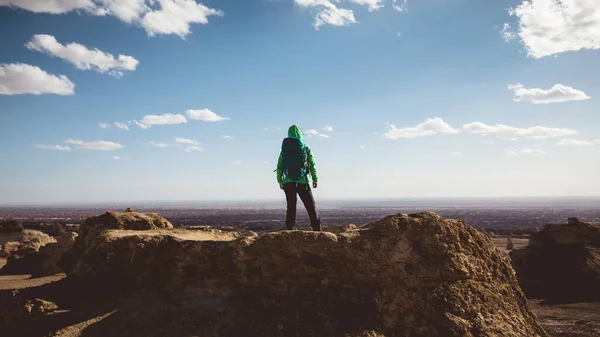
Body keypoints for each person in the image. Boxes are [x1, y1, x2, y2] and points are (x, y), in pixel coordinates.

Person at [276, 125, 321, 231]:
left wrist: (280, 180)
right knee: (311, 206)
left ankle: (290, 229)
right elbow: (312, 164)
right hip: (302, 182)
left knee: (291, 207)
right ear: (300, 134)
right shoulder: (305, 148)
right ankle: (317, 230)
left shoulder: (284, 149)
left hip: (288, 182)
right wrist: (315, 179)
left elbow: (279, 166)